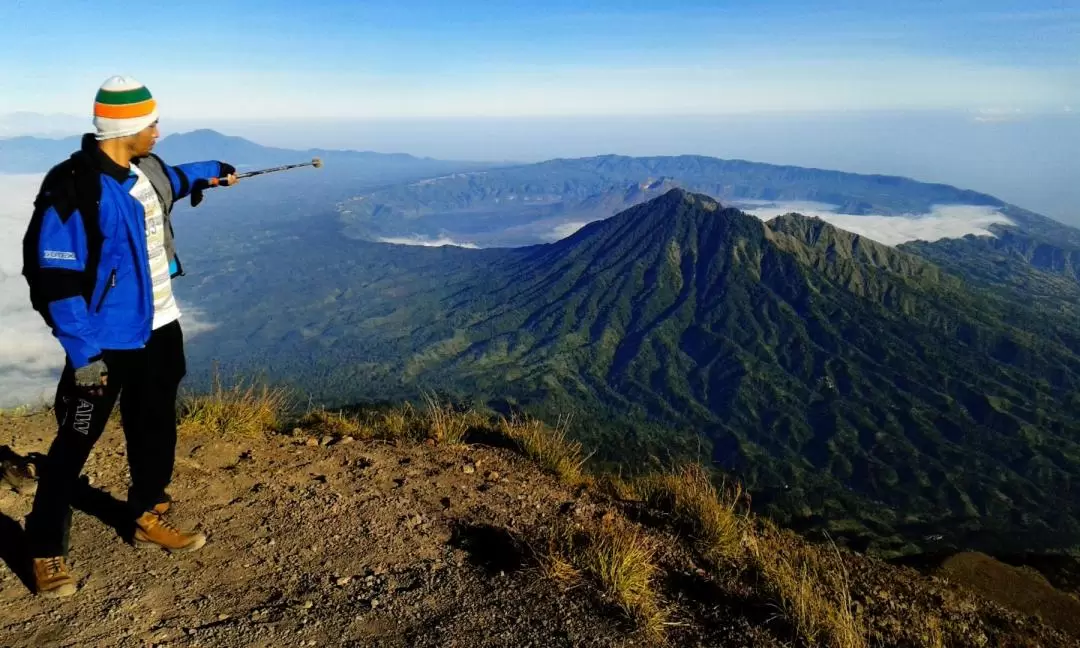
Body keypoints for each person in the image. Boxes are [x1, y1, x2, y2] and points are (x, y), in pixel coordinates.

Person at [20, 76, 239, 598]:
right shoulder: (73, 189)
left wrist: (214, 174)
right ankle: (44, 546)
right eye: (151, 123)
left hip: (162, 326)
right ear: (126, 128)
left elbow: (175, 181)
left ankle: (147, 512)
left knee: (155, 424)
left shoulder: (146, 169)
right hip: (104, 342)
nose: (159, 131)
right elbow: (56, 279)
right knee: (73, 441)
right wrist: (83, 354)